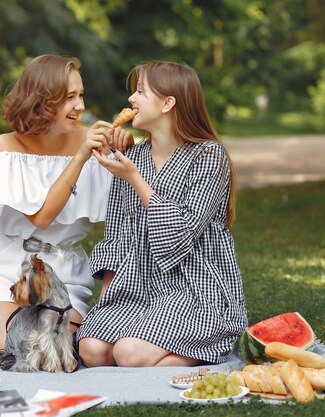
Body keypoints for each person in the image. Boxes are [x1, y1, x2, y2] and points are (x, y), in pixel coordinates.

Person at [0, 54, 133, 362]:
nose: (80, 106)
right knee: (8, 353)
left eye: (81, 95)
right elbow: (41, 217)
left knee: (48, 357)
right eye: (69, 98)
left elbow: (129, 209)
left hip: (65, 272)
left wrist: (126, 149)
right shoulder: (7, 146)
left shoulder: (93, 142)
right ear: (42, 101)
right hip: (11, 269)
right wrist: (80, 157)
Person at [77, 61, 248, 367]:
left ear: (168, 102)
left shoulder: (208, 155)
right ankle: (159, 357)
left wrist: (136, 181)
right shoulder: (131, 157)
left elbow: (179, 236)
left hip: (194, 287)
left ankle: (213, 346)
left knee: (127, 354)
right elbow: (117, 233)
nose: (131, 99)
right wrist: (107, 301)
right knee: (91, 349)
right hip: (137, 286)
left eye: (140, 91)